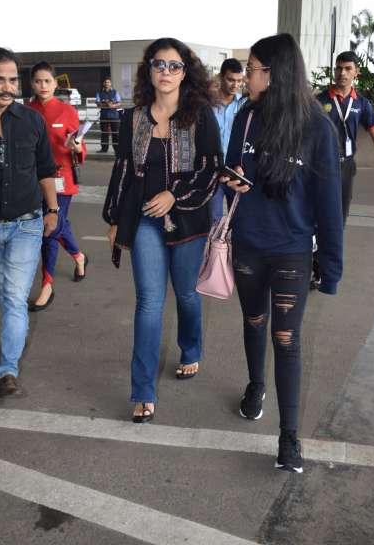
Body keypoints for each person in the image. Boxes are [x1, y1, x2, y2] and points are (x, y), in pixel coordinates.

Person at [221, 34, 343, 473]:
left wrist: (330, 267)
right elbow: (234, 166)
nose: (245, 76)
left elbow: (330, 204)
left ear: (273, 74)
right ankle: (256, 385)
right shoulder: (246, 118)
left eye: (251, 68)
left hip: (292, 251)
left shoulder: (316, 126)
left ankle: (289, 437)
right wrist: (230, 177)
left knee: (286, 339)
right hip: (248, 243)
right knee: (253, 322)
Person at [103, 37, 222, 423]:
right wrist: (115, 219)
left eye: (174, 65)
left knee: (187, 295)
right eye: (159, 64)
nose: (166, 72)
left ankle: (190, 348)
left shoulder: (200, 116)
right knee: (150, 302)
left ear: (186, 73)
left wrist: (174, 195)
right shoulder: (133, 117)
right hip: (144, 221)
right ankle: (142, 390)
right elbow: (122, 169)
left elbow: (210, 170)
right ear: (148, 71)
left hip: (188, 222)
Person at [0, 47, 58, 398]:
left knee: (14, 296)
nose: (7, 86)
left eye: (13, 79)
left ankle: (7, 371)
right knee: (6, 294)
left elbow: (46, 169)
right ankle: (11, 345)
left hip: (27, 223)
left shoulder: (31, 120)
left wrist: (53, 210)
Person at [310, 51, 374, 289]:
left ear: (356, 73)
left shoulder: (362, 104)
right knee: (314, 218)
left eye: (348, 69)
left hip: (345, 167)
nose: (342, 73)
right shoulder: (319, 101)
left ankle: (326, 269)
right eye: (339, 68)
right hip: (320, 167)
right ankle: (312, 265)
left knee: (337, 220)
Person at [27, 61, 88, 311]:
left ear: (55, 83)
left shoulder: (66, 111)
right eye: (38, 81)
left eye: (47, 81)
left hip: (61, 180)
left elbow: (80, 145)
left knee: (50, 229)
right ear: (32, 83)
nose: (43, 86)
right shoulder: (25, 111)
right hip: (32, 181)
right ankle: (79, 256)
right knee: (60, 225)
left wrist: (77, 148)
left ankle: (47, 284)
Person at [211, 58, 244, 222]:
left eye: (239, 81)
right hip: (212, 170)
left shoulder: (245, 105)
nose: (235, 85)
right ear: (221, 77)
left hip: (236, 170)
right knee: (213, 221)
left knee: (237, 219)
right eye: (231, 80)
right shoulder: (208, 105)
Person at [96, 77, 122, 154]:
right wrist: (105, 104)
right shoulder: (99, 93)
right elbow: (97, 103)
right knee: (104, 133)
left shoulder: (115, 92)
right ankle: (104, 149)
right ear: (103, 84)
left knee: (115, 133)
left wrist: (113, 106)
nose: (107, 84)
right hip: (104, 115)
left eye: (108, 82)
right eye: (105, 82)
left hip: (114, 116)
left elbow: (119, 102)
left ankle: (117, 150)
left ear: (110, 84)